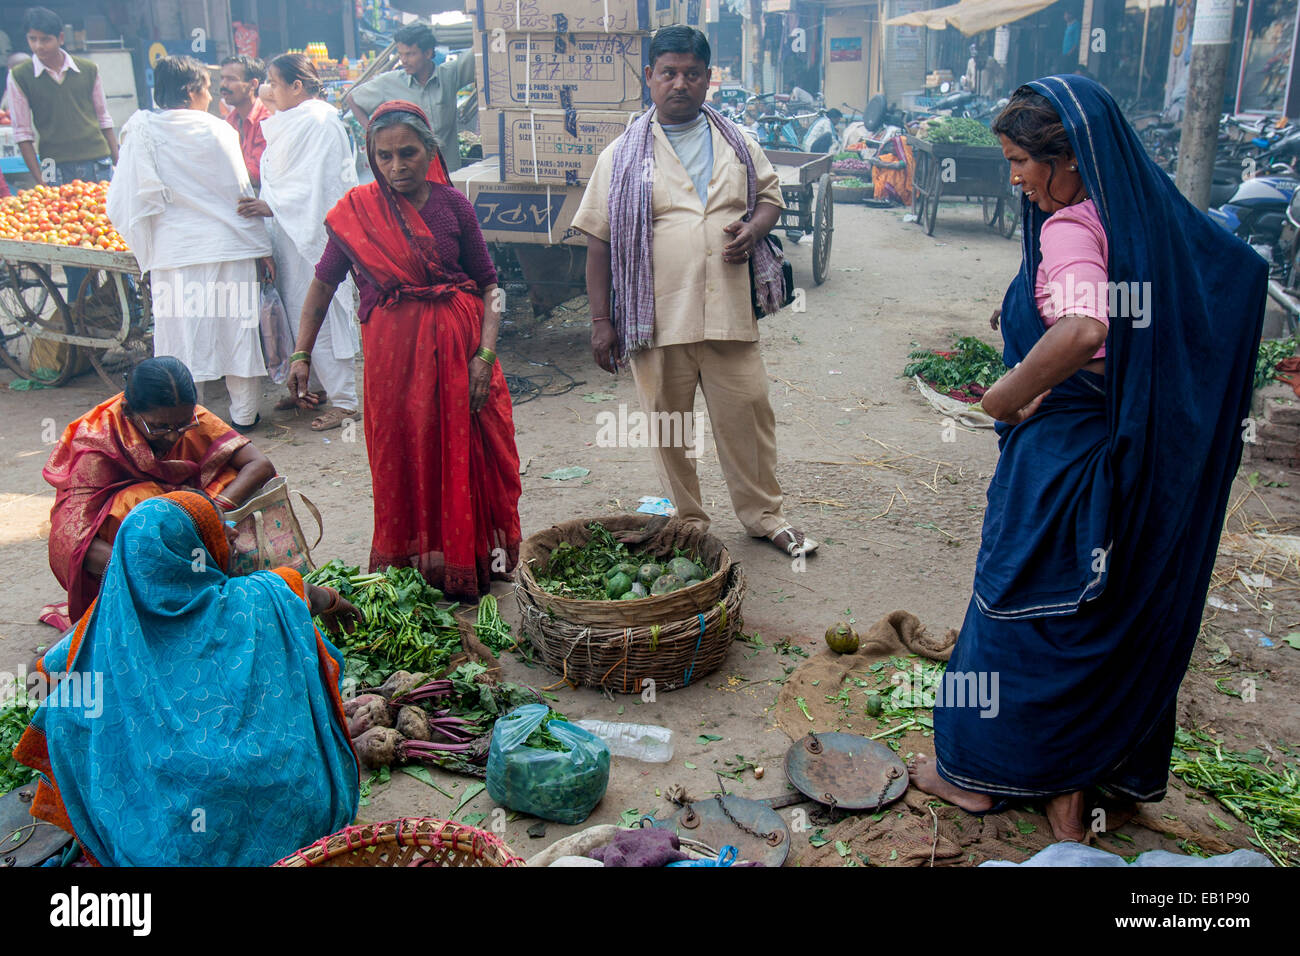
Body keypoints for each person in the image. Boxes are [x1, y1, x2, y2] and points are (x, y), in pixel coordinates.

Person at [909, 77, 1268, 841]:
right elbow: (1227, 275)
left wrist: (1002, 396)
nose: (1014, 179)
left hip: (1066, 462)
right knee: (1088, 615)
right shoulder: (1143, 221)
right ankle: (1074, 789)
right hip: (1129, 459)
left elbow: (1079, 331)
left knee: (1016, 612)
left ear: (1068, 158)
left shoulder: (1072, 227)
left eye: (1019, 162)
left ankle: (980, 778)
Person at [574, 26, 817, 559]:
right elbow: (598, 241)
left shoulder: (737, 141)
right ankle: (689, 520)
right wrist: (600, 321)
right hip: (655, 318)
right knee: (668, 425)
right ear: (650, 79)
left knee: (749, 414)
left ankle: (765, 517)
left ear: (708, 79)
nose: (679, 83)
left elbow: (770, 198)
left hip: (728, 312)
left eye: (691, 73)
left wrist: (754, 230)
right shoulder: (621, 155)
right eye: (669, 73)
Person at [15, 491, 360, 866]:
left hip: (159, 845)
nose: (231, 531)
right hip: (291, 816)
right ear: (191, 547)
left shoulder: (109, 621)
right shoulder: (262, 597)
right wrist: (335, 601)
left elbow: (46, 674)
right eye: (216, 525)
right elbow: (304, 592)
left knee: (69, 716)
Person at [290, 100, 521, 599]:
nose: (398, 166)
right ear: (372, 156)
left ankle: (470, 561)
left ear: (430, 150)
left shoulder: (453, 205)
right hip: (393, 364)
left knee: (464, 451)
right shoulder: (357, 214)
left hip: (459, 355)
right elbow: (322, 285)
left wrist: (484, 358)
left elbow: (490, 287)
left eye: (409, 153)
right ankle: (413, 565)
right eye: (386, 155)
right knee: (404, 452)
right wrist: (301, 354)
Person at [107, 55, 274, 433]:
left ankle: (184, 419)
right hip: (228, 246)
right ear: (191, 91)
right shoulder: (217, 131)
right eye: (207, 89)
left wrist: (146, 246)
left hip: (175, 251)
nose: (210, 95)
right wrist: (260, 246)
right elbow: (241, 196)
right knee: (237, 329)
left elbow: (121, 202)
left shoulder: (141, 130)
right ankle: (244, 414)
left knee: (181, 336)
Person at [43, 356, 275, 625]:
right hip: (138, 554)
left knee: (230, 477)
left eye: (182, 426)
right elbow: (70, 541)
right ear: (129, 412)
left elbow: (259, 465)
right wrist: (156, 571)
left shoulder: (184, 417)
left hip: (189, 525)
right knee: (138, 503)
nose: (174, 436)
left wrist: (209, 516)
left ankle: (207, 584)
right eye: (160, 428)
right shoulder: (96, 444)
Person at [237, 54, 360, 431]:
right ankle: (313, 387)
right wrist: (272, 206)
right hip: (290, 234)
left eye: (274, 83)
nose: (266, 91)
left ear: (297, 86)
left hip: (316, 234)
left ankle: (345, 400)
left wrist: (271, 205)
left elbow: (320, 185)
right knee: (297, 311)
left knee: (322, 312)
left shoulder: (320, 120)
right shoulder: (289, 122)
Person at [345, 22, 475, 172]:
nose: (403, 60)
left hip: (447, 170)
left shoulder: (450, 75)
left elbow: (478, 51)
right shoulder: (389, 82)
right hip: (411, 174)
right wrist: (374, 134)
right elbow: (352, 99)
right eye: (400, 54)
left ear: (428, 53)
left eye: (410, 54)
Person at [9, 7, 117, 186]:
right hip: (51, 164)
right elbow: (22, 134)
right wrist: (41, 181)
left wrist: (117, 162)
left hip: (97, 161)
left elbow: (103, 119)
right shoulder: (19, 76)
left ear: (60, 38)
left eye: (45, 39)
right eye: (32, 39)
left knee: (104, 213)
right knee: (54, 212)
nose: (38, 46)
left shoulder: (88, 69)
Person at [219, 53, 270, 189]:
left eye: (231, 79)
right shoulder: (229, 122)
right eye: (222, 78)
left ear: (253, 84)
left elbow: (256, 175)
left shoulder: (267, 120)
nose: (224, 84)